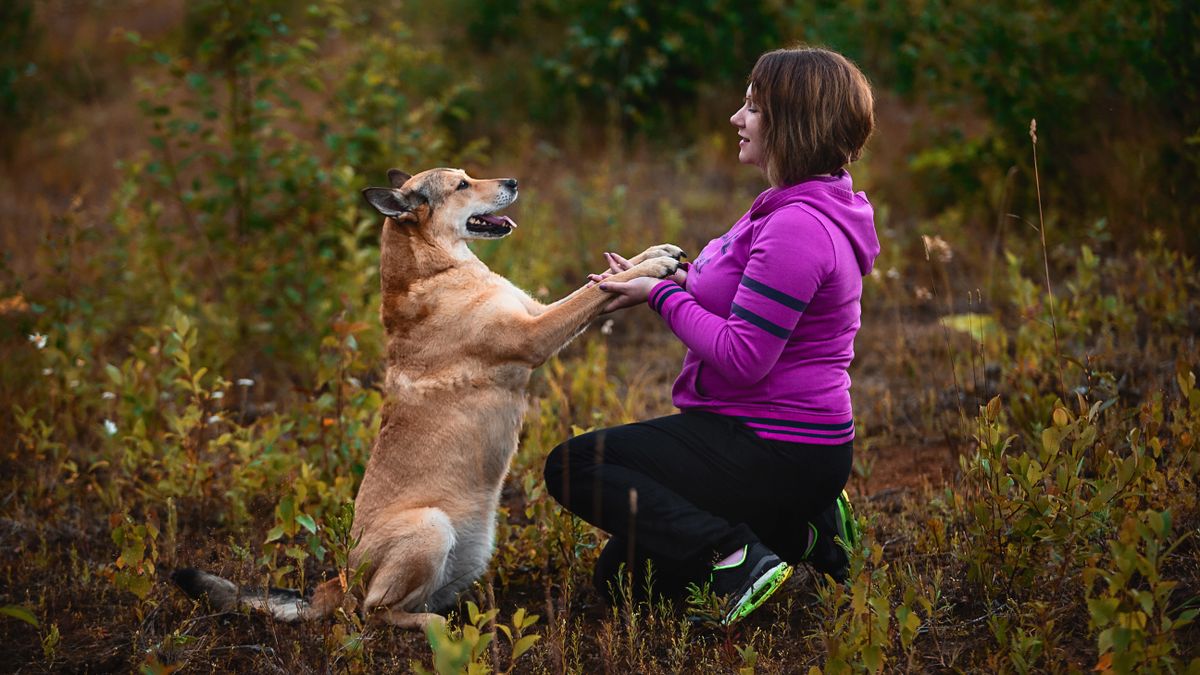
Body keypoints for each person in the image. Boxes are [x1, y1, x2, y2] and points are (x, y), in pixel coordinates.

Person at [543, 46, 879, 625]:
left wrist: (659, 297)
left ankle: (735, 557)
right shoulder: (791, 203)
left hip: (777, 444)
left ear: (791, 122)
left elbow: (742, 357)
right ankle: (806, 530)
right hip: (765, 439)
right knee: (626, 583)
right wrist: (668, 275)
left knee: (574, 465)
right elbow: (735, 292)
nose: (736, 118)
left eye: (752, 106)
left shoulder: (799, 226)